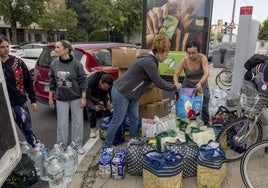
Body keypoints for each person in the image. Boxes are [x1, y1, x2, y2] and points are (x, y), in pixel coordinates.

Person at [104, 34, 181, 148]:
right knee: (117, 120)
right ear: (159, 52)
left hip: (132, 94)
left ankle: (132, 141)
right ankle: (107, 146)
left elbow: (156, 80)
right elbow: (158, 82)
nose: (166, 57)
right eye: (165, 55)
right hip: (122, 91)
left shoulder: (150, 60)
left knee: (135, 118)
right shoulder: (149, 62)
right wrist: (175, 87)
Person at [0, 36, 40, 147]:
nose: (6, 49)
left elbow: (28, 81)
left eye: (7, 46)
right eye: (2, 47)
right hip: (2, 106)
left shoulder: (18, 63)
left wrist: (33, 100)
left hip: (18, 104)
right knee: (6, 135)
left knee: (27, 130)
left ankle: (37, 150)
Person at [48, 40, 87, 154]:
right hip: (61, 99)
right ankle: (62, 145)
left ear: (66, 50)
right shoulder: (54, 64)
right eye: (55, 47)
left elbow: (83, 82)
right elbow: (52, 81)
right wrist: (50, 97)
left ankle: (77, 144)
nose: (55, 49)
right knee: (62, 124)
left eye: (58, 47)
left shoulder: (77, 64)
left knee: (77, 123)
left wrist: (83, 98)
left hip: (76, 98)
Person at [173, 40, 210, 124]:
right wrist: (176, 83)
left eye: (193, 53)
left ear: (198, 52)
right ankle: (187, 122)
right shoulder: (184, 61)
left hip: (201, 82)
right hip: (188, 83)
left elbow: (207, 72)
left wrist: (200, 83)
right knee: (187, 104)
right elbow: (176, 75)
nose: (191, 55)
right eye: (189, 53)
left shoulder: (202, 58)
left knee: (204, 102)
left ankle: (206, 122)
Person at [86, 71, 114, 138]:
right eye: (105, 88)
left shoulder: (109, 82)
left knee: (106, 109)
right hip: (91, 95)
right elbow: (86, 98)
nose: (106, 89)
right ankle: (93, 129)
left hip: (102, 95)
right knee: (91, 112)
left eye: (108, 88)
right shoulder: (90, 83)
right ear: (100, 82)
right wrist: (94, 106)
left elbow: (112, 93)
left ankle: (107, 127)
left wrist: (112, 102)